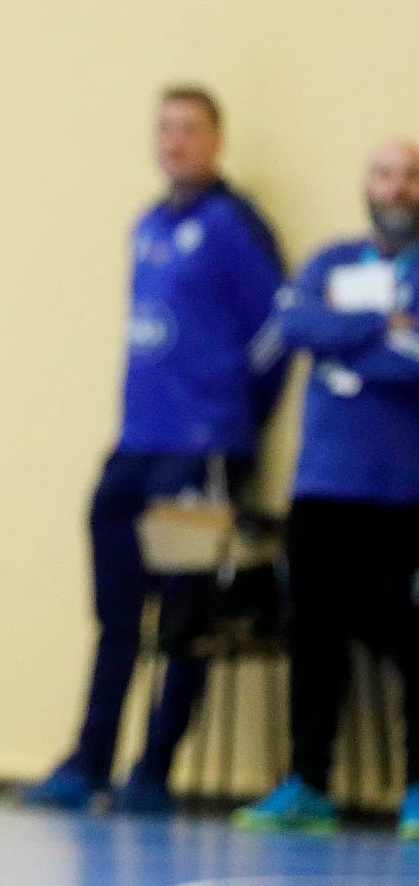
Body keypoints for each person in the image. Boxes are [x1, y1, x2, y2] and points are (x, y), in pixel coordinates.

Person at [24, 87, 286, 814]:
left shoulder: (233, 227)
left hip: (198, 453)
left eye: (189, 130)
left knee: (182, 621)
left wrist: (231, 423)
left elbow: (275, 334)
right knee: (115, 616)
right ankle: (89, 761)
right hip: (134, 449)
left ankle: (153, 771)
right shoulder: (146, 225)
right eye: (164, 130)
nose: (174, 143)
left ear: (215, 140)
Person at [237, 138, 419, 839]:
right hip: (321, 488)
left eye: (407, 176)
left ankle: (413, 789)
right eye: (383, 173)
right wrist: (382, 325)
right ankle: (308, 783)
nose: (395, 186)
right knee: (312, 638)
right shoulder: (332, 261)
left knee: (406, 639)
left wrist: (343, 341)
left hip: (401, 496)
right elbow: (292, 322)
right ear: (365, 184)